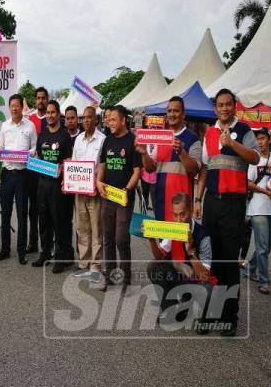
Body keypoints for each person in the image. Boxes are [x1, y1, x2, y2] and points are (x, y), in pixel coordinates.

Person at [194, 88, 259, 336]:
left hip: (233, 204)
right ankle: (210, 314)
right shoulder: (209, 133)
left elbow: (254, 158)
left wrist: (232, 143)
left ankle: (229, 317)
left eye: (228, 104)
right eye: (220, 105)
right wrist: (198, 198)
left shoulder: (244, 130)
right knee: (211, 260)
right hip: (212, 202)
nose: (224, 108)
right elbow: (205, 169)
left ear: (234, 106)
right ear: (215, 108)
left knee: (229, 261)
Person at [136, 96, 202, 262]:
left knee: (182, 248)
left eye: (176, 110)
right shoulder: (159, 137)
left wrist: (182, 152)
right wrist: (144, 154)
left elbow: (194, 170)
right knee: (163, 251)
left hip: (181, 207)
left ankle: (184, 285)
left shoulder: (193, 139)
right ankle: (166, 286)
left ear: (183, 114)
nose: (172, 114)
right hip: (161, 202)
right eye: (169, 110)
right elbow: (150, 168)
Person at [146, 193, 214, 333]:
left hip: (197, 279)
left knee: (208, 289)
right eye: (175, 215)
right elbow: (159, 258)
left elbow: (204, 276)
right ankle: (173, 311)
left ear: (190, 211)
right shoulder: (173, 229)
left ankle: (206, 317)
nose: (178, 220)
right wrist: (152, 240)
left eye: (182, 215)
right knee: (153, 267)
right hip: (180, 273)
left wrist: (190, 251)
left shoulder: (203, 235)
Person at [96, 105, 142, 290]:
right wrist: (99, 182)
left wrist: (127, 189)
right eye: (108, 120)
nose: (110, 122)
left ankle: (126, 276)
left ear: (123, 121)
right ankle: (109, 274)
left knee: (121, 238)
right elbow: (103, 165)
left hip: (124, 198)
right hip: (107, 196)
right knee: (107, 237)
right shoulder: (107, 141)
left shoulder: (133, 141)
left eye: (113, 119)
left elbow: (137, 171)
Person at [32, 100, 74, 273]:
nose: (49, 115)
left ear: (58, 114)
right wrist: (34, 159)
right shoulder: (42, 135)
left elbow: (69, 162)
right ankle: (45, 253)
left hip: (58, 185)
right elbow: (38, 156)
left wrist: (62, 168)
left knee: (59, 221)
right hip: (43, 183)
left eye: (53, 113)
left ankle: (60, 256)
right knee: (44, 219)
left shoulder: (64, 136)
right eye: (47, 113)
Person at [0, 94, 37, 265]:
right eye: (11, 105)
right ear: (9, 107)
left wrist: (28, 154)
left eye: (17, 105)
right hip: (7, 174)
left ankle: (21, 251)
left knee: (22, 214)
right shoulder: (4, 126)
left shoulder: (31, 126)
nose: (14, 108)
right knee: (5, 213)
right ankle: (5, 249)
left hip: (22, 175)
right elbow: (1, 146)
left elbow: (34, 147)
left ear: (22, 107)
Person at [244, 128, 271, 295]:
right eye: (257, 139)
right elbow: (248, 182)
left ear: (270, 139)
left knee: (268, 245)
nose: (259, 142)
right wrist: (266, 192)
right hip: (257, 208)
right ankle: (264, 281)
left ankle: (250, 267)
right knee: (263, 247)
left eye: (262, 138)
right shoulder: (254, 159)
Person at [72, 106, 105, 277]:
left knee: (96, 228)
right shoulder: (78, 140)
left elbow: (103, 166)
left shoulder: (102, 140)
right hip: (79, 192)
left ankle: (96, 264)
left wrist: (96, 182)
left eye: (89, 117)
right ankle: (84, 261)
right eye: (83, 117)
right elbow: (74, 163)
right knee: (82, 227)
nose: (85, 120)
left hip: (95, 192)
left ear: (96, 120)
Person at [26, 86, 49, 254]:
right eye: (38, 98)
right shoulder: (29, 118)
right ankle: (32, 243)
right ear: (35, 100)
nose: (41, 101)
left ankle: (47, 245)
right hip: (32, 172)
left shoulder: (53, 117)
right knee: (33, 209)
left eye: (43, 98)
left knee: (46, 210)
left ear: (47, 100)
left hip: (48, 171)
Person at [63, 105, 81, 248]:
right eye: (67, 118)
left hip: (81, 186)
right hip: (65, 186)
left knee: (81, 222)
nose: (70, 121)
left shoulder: (82, 137)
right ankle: (67, 251)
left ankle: (81, 254)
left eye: (72, 118)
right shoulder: (62, 136)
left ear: (77, 119)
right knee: (66, 220)